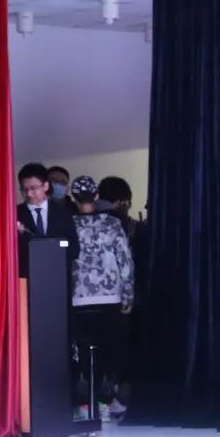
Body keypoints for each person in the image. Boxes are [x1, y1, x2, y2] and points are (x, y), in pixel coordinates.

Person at [68, 175, 134, 421]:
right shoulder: (113, 223)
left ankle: (86, 403)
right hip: (110, 296)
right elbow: (125, 261)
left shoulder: (69, 224)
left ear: (74, 198)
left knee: (83, 353)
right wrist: (128, 295)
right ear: (96, 196)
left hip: (79, 296)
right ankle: (105, 403)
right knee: (109, 351)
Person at [17, 162, 80, 277]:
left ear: (45, 186)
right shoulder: (15, 214)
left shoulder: (63, 212)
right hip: (26, 277)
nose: (29, 194)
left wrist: (58, 245)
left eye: (33, 188)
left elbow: (74, 248)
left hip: (58, 275)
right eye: (24, 189)